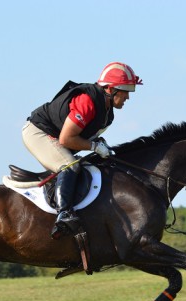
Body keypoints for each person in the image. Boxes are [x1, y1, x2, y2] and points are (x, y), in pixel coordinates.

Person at [22, 62, 142, 239]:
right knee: (69, 166)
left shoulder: (108, 114)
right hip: (38, 132)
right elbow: (67, 139)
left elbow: (83, 137)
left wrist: (100, 145)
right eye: (126, 91)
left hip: (58, 136)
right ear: (111, 89)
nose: (128, 98)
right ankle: (64, 215)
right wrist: (94, 147)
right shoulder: (87, 101)